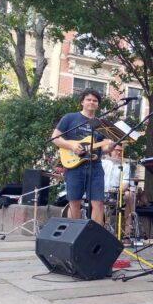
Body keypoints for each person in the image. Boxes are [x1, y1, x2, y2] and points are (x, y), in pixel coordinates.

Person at [51, 89, 113, 225]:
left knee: (98, 202)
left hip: (95, 166)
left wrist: (112, 146)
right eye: (89, 99)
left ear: (98, 104)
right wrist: (71, 146)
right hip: (74, 166)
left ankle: (96, 236)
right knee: (74, 202)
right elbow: (55, 138)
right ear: (82, 102)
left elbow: (103, 148)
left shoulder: (101, 124)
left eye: (95, 100)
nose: (92, 102)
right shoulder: (70, 118)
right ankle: (73, 235)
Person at [102, 145, 136, 246]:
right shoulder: (103, 163)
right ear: (110, 151)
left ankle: (127, 234)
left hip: (118, 192)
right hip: (101, 192)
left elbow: (125, 183)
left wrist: (116, 191)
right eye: (116, 150)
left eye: (121, 151)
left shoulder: (125, 166)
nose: (119, 153)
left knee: (130, 195)